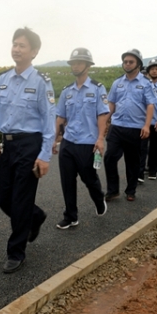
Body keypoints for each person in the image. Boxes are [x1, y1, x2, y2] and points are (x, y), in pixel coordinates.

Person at [0, 27, 55, 273]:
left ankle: (16, 252)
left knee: (20, 200)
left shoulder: (41, 82)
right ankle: (36, 216)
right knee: (4, 199)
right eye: (14, 44)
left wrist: (44, 155)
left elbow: (49, 120)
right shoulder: (3, 80)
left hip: (30, 146)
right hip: (7, 145)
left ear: (34, 52)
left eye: (22, 45)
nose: (16, 49)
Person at [53, 48, 110, 230]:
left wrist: (100, 138)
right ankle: (70, 216)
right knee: (67, 181)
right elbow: (60, 117)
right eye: (73, 63)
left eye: (79, 62)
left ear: (87, 65)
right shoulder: (66, 91)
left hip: (88, 142)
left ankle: (99, 199)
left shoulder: (97, 88)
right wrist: (54, 140)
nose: (75, 66)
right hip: (68, 142)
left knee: (89, 179)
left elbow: (102, 115)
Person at [104, 49, 156, 202]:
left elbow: (150, 105)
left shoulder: (146, 83)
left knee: (132, 162)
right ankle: (113, 190)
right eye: (125, 61)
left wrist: (147, 126)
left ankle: (131, 190)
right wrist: (104, 121)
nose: (127, 64)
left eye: (131, 62)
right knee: (109, 158)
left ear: (138, 64)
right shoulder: (117, 82)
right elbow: (111, 103)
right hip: (117, 126)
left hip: (136, 128)